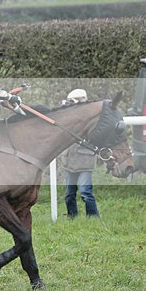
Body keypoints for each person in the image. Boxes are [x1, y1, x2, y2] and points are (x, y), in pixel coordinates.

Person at [61, 89, 100, 217]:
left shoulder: (90, 116)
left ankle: (93, 217)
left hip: (85, 160)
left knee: (85, 192)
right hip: (69, 160)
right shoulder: (67, 114)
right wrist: (63, 110)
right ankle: (72, 217)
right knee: (69, 194)